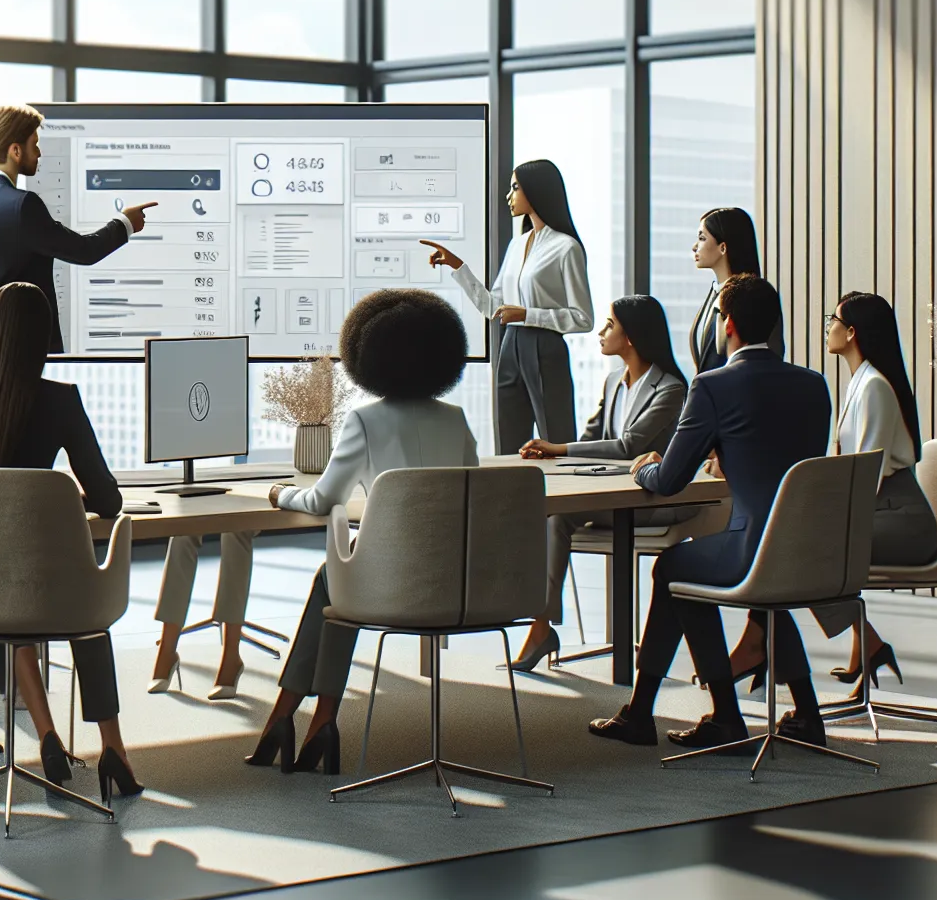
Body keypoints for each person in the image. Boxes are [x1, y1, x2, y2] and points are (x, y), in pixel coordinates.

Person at [587, 274, 836, 750]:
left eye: (720, 315)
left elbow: (670, 480)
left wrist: (645, 467)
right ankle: (805, 714)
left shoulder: (713, 386)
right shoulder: (814, 385)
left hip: (752, 548)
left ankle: (687, 714)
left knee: (675, 567)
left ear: (729, 324)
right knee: (753, 582)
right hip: (807, 551)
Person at [0, 282, 141, 799]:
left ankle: (46, 735)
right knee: (87, 618)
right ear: (41, 338)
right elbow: (107, 499)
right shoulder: (59, 400)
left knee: (4, 596)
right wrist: (64, 501)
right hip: (43, 588)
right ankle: (114, 748)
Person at [245, 289, 480, 776]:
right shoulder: (456, 421)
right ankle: (313, 723)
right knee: (335, 585)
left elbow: (321, 501)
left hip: (393, 584)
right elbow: (471, 496)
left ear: (368, 355)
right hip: (460, 582)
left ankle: (291, 717)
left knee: (332, 582)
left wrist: (277, 494)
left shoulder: (365, 421)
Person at [723, 291, 937, 689]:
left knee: (801, 551)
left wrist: (816, 514)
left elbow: (865, 476)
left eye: (833, 320)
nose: (829, 327)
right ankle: (863, 643)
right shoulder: (862, 381)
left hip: (900, 519)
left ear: (852, 332)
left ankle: (766, 643)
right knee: (794, 545)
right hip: (881, 510)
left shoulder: (874, 386)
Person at [509, 295, 696, 670]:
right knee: (551, 515)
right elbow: (592, 435)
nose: (601, 330)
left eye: (610, 324)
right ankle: (540, 624)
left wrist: (558, 446)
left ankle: (544, 628)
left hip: (651, 500)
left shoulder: (670, 388)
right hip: (614, 495)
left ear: (631, 336)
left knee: (559, 518)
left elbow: (630, 445)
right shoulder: (613, 381)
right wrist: (554, 453)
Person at [0, 104, 156, 374]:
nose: (39, 153)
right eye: (34, 144)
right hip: (22, 354)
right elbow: (84, 251)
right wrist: (126, 223)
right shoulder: (23, 206)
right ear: (16, 151)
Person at [423, 159, 591, 454]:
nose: (508, 196)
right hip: (510, 344)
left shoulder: (566, 248)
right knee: (508, 437)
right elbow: (493, 307)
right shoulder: (518, 244)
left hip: (546, 346)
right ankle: (511, 496)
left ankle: (567, 494)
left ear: (536, 191)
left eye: (515, 187)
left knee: (556, 434)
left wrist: (528, 315)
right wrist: (457, 265)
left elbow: (582, 318)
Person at [150, 530, 258, 700]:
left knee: (235, 530)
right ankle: (167, 651)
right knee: (182, 533)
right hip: (209, 501)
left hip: (253, 504)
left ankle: (231, 657)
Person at [686, 207, 784, 374]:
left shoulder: (756, 298)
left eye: (702, 238)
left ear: (723, 248)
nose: (695, 247)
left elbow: (771, 353)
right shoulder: (714, 294)